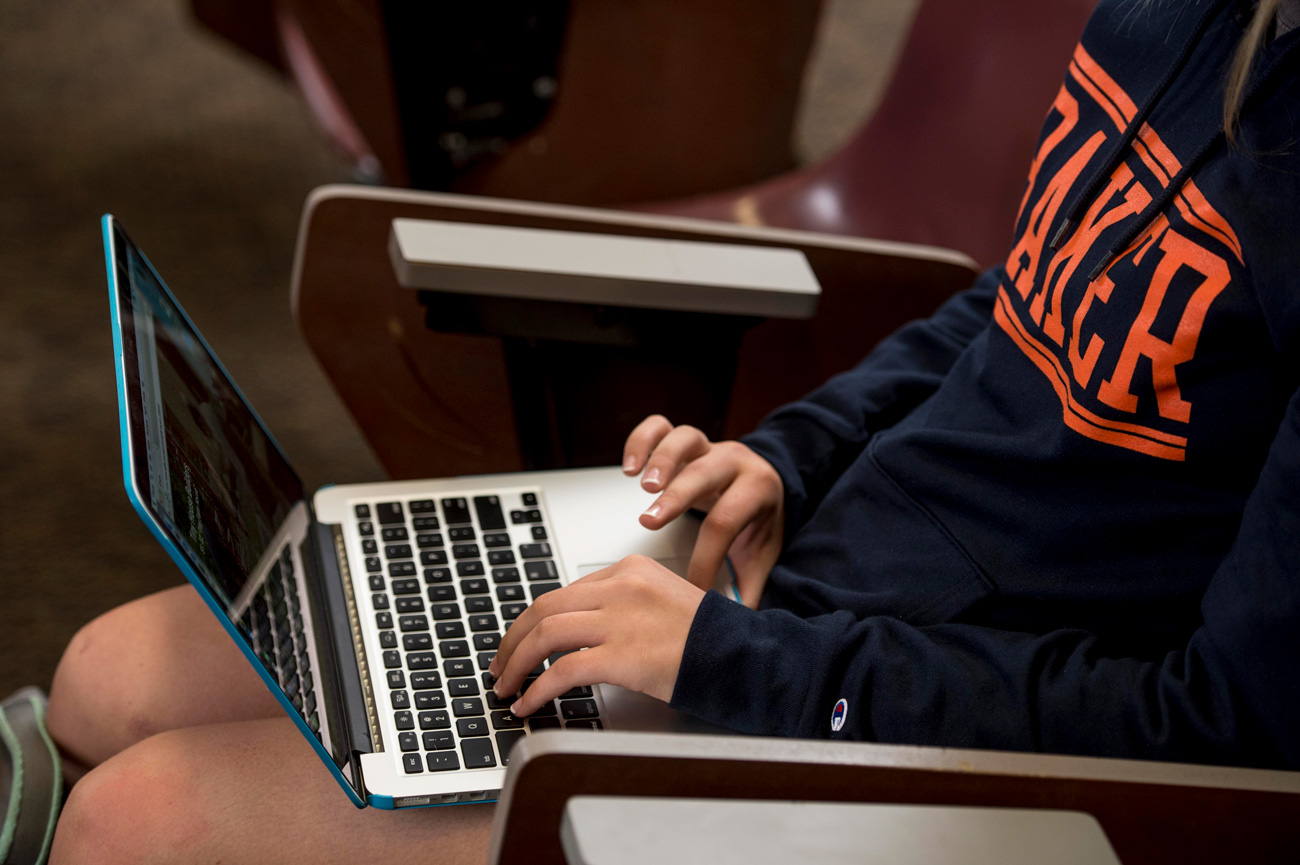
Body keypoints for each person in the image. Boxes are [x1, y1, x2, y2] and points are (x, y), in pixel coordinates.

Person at [14, 0, 1298, 862]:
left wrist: (737, 666)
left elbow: (1217, 735)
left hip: (913, 733)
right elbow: (1015, 294)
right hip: (784, 599)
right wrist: (791, 453)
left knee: (142, 820)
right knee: (104, 673)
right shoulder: (1196, 19)